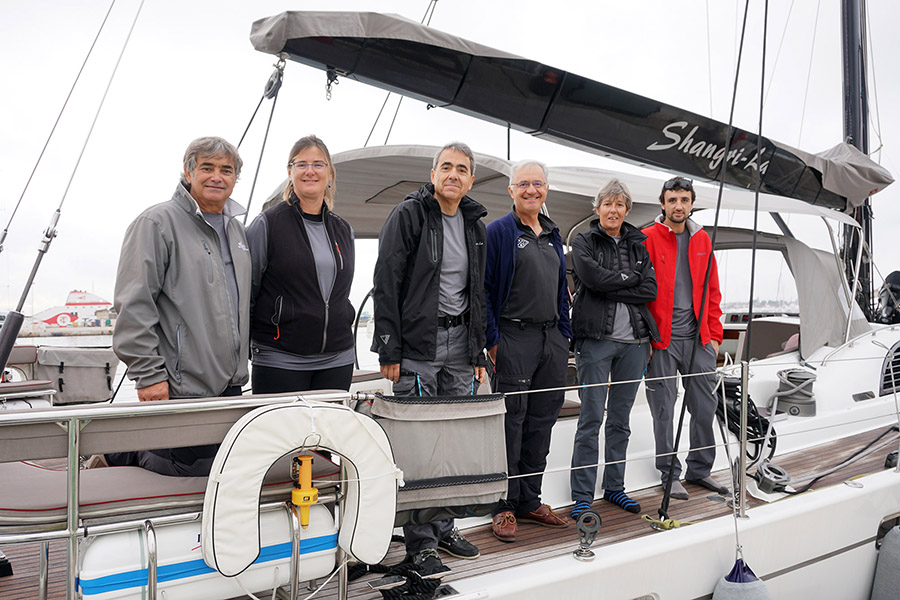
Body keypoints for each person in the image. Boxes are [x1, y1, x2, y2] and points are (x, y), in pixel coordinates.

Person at [371, 142, 487, 576]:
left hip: (461, 348)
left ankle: (443, 527)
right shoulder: (410, 214)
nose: (453, 174)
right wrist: (389, 345)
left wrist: (477, 351)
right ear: (433, 173)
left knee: (453, 444)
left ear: (470, 179)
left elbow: (479, 292)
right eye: (446, 167)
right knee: (421, 449)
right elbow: (387, 278)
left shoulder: (475, 223)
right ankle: (420, 544)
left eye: (462, 169)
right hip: (419, 346)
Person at [108, 136, 250, 476]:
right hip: (178, 386)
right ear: (188, 172)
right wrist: (148, 374)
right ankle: (118, 457)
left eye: (226, 170)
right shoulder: (156, 223)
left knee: (218, 477)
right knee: (175, 474)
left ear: (234, 179)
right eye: (207, 168)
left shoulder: (237, 232)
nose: (217, 176)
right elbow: (133, 305)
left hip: (230, 388)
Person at [484, 160, 572, 542]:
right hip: (513, 336)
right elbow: (484, 292)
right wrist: (492, 341)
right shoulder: (499, 232)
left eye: (537, 184)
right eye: (523, 184)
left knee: (542, 420)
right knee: (512, 421)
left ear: (546, 190)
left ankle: (530, 500)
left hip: (551, 340)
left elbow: (560, 290)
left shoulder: (553, 234)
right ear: (511, 190)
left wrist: (564, 335)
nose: (530, 190)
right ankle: (503, 505)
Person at [568, 179, 659, 519]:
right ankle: (581, 496)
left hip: (635, 344)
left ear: (627, 210)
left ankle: (615, 488)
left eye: (619, 205)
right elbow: (591, 280)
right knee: (590, 418)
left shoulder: (639, 245)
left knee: (620, 420)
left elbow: (649, 290)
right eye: (607, 204)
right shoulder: (584, 241)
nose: (613, 210)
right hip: (595, 341)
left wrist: (615, 283)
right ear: (598, 209)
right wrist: (628, 279)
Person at [246, 135, 355, 394]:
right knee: (280, 435)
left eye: (318, 164)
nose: (310, 171)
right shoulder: (267, 224)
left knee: (330, 434)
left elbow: (340, 292)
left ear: (329, 173)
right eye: (302, 164)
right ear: (290, 171)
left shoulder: (343, 229)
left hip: (337, 358)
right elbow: (247, 293)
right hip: (279, 357)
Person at [642, 176, 727, 500]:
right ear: (662, 204)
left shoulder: (702, 240)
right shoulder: (647, 238)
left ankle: (700, 469)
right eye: (673, 200)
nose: (679, 206)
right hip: (661, 341)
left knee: (705, 406)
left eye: (685, 200)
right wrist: (646, 339)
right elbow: (640, 294)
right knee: (663, 409)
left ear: (692, 204)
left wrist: (715, 337)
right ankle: (669, 473)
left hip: (699, 340)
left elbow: (714, 292)